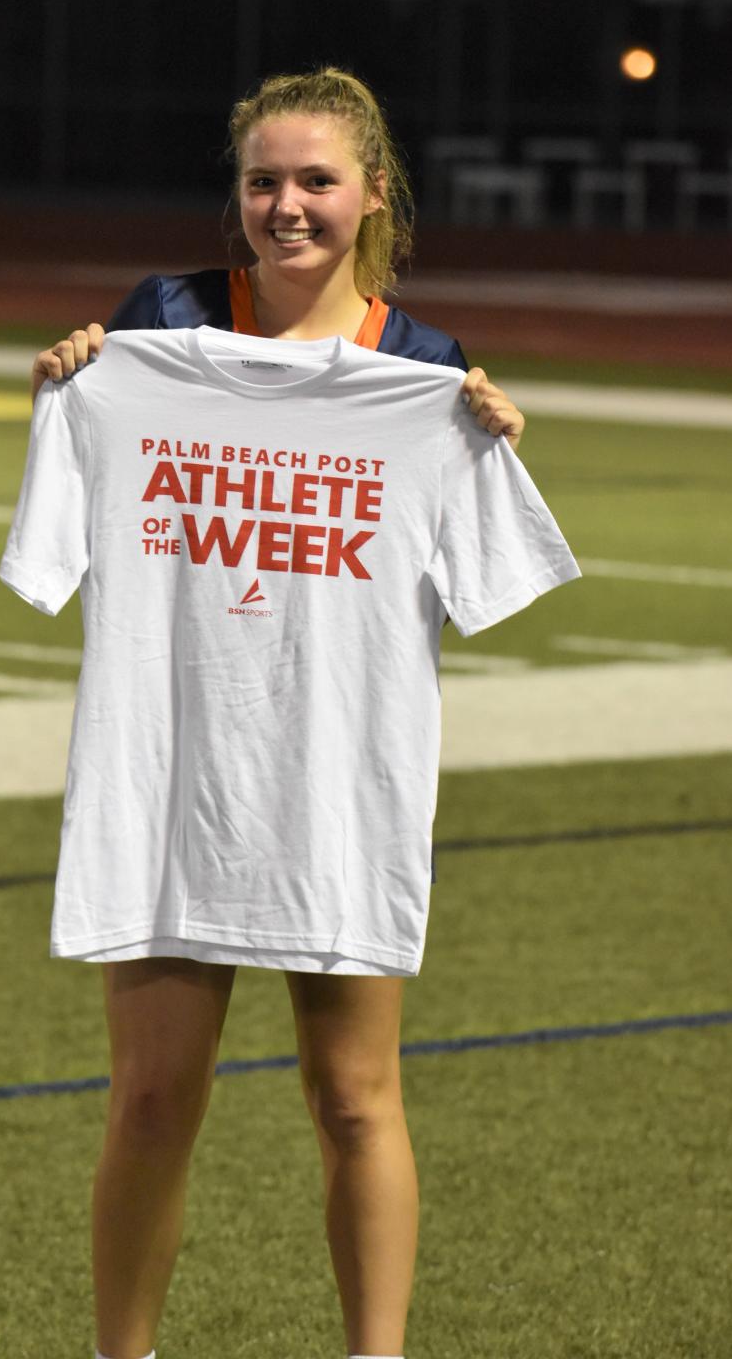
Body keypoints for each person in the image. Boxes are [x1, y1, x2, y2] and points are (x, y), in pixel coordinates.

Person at [28, 68, 532, 1359]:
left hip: (333, 790)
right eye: (263, 181)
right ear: (236, 195)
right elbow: (64, 534)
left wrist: (487, 443)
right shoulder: (157, 326)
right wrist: (75, 382)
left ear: (372, 194)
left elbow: (489, 581)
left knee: (357, 1101)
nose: (287, 206)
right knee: (148, 1101)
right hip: (174, 780)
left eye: (315, 181)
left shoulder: (425, 375)